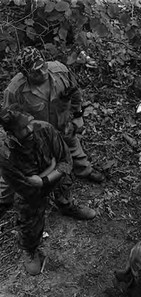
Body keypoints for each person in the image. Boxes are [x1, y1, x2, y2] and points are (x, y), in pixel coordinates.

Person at [0, 46, 104, 217]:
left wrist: (77, 115)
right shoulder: (15, 91)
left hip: (63, 126)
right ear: (25, 74)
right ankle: (5, 201)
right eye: (36, 71)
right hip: (37, 138)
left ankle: (84, 172)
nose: (42, 72)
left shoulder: (60, 71)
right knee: (29, 170)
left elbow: (74, 92)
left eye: (43, 65)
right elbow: (8, 119)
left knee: (74, 151)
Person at [0, 106, 96, 275]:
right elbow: (26, 186)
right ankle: (30, 248)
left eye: (29, 123)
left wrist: (44, 178)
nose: (30, 129)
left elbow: (65, 161)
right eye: (22, 128)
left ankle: (66, 206)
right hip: (31, 192)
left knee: (65, 184)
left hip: (53, 177)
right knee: (28, 214)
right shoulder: (6, 153)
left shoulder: (44, 128)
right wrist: (51, 168)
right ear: (11, 133)